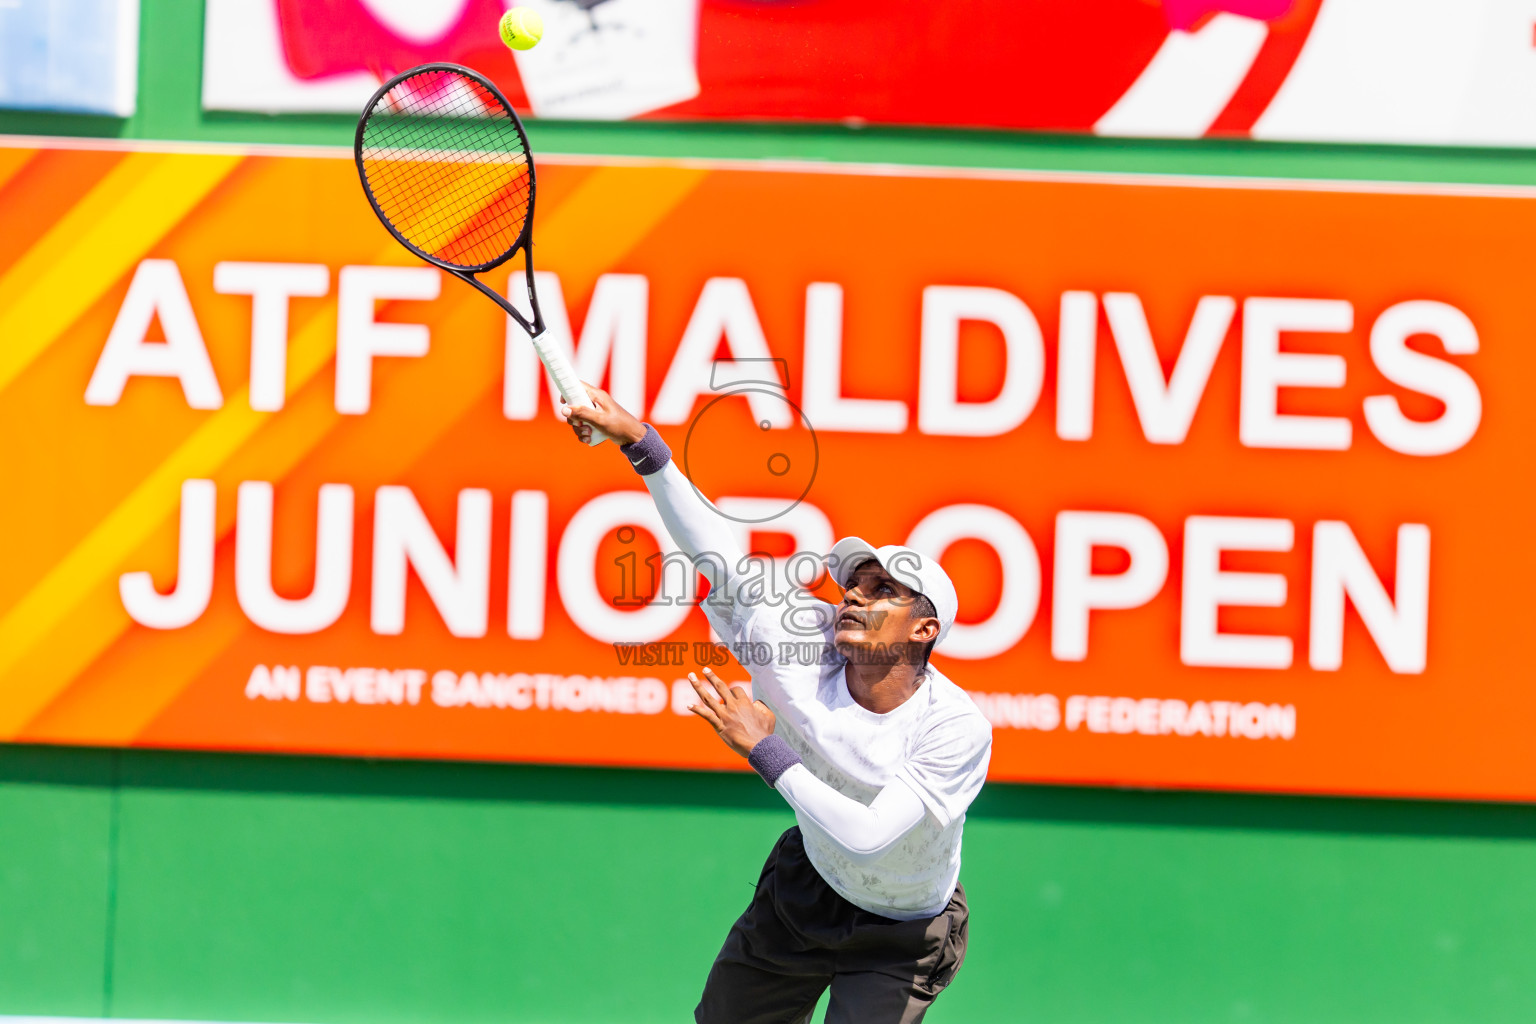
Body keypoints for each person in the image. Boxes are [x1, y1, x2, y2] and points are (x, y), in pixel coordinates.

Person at [562, 386, 993, 1024]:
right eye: (854, 584)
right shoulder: (799, 636)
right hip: (805, 892)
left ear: (924, 631)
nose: (853, 597)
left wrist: (764, 749)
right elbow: (718, 553)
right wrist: (641, 444)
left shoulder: (955, 728)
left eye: (882, 591)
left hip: (903, 934)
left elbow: (870, 837)